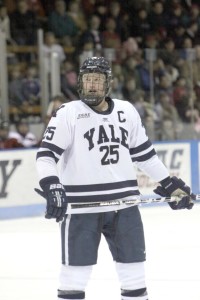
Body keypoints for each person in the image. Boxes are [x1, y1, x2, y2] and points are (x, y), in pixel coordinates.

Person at [35, 57, 195, 300]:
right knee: (73, 279)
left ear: (108, 83)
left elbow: (146, 156)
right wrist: (52, 185)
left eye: (97, 80)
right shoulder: (67, 113)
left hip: (125, 206)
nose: (91, 85)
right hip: (81, 208)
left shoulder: (126, 110)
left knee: (134, 277)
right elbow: (46, 155)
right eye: (87, 79)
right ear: (80, 82)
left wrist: (168, 183)